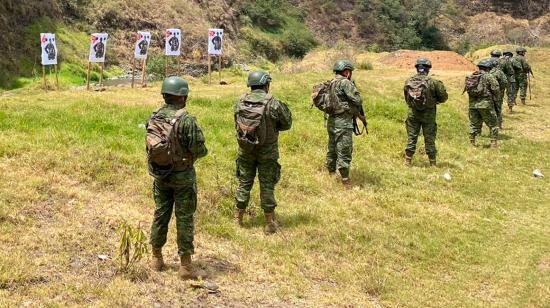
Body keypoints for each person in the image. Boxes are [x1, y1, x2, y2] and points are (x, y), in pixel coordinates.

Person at [147, 77, 208, 280]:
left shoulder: (154, 117)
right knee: (184, 218)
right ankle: (186, 266)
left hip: (160, 174)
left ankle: (156, 257)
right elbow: (200, 149)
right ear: (182, 97)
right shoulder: (187, 120)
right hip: (183, 176)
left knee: (161, 213)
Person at [234, 71, 292, 234]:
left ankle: (238, 219)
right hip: (268, 151)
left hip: (246, 149)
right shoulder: (273, 103)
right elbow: (287, 123)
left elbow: (237, 123)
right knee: (267, 184)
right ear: (266, 85)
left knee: (244, 182)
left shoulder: (240, 102)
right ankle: (269, 222)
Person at [325, 60, 365, 184]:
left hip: (332, 120)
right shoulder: (345, 82)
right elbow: (358, 100)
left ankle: (331, 173)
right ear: (347, 72)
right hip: (343, 122)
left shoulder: (331, 82)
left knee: (332, 148)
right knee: (344, 150)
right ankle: (345, 180)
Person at [403, 58, 448, 167]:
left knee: (412, 136)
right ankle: (432, 163)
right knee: (429, 138)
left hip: (413, 114)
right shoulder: (434, 82)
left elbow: (407, 99)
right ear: (428, 69)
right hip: (429, 115)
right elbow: (444, 97)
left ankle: (407, 161)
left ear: (417, 68)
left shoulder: (408, 81)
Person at [465, 59, 500, 148]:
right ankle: (493, 143)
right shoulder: (489, 76)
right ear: (488, 68)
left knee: (474, 124)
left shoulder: (472, 76)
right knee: (493, 124)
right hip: (486, 104)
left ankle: (471, 142)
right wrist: (495, 97)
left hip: (473, 105)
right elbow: (496, 88)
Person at [489, 53, 508, 129]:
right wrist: (500, 89)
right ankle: (498, 124)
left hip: (487, 92)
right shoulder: (499, 71)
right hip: (498, 92)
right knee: (498, 107)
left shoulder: (485, 70)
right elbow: (504, 82)